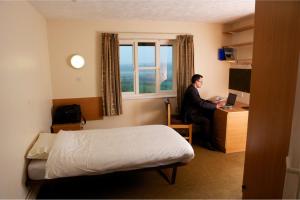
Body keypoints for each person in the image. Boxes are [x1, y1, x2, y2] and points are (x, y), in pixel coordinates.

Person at [181, 74, 224, 150]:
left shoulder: (192, 88)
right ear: (196, 81)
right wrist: (215, 106)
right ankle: (206, 142)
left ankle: (209, 138)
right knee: (206, 121)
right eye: (201, 82)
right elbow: (200, 103)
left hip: (191, 112)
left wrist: (212, 103)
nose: (202, 83)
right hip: (189, 115)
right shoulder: (192, 91)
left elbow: (200, 100)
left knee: (208, 114)